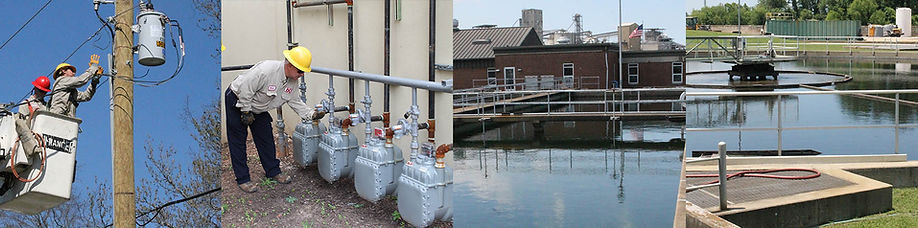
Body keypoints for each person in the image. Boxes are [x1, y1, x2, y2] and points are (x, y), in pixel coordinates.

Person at [225, 46, 322, 193]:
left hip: (259, 107)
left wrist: (311, 114)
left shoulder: (292, 81)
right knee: (238, 140)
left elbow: (295, 101)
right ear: (289, 65)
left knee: (266, 138)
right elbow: (246, 88)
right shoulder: (266, 70)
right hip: (239, 100)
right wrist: (245, 111)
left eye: (304, 72)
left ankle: (273, 171)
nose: (301, 75)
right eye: (300, 71)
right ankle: (243, 179)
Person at [14, 76, 52, 157]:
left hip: (44, 138)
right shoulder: (26, 103)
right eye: (40, 90)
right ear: (35, 88)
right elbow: (21, 124)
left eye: (44, 92)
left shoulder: (47, 107)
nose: (42, 93)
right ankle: (33, 148)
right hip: (30, 137)